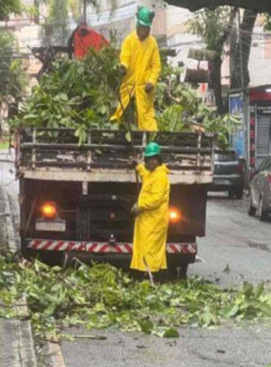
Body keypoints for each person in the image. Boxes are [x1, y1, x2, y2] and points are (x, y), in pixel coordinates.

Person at [110, 6, 161, 132]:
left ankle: (148, 138)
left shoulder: (152, 43)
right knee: (121, 111)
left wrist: (152, 81)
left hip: (144, 87)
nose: (146, 30)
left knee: (145, 116)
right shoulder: (129, 40)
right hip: (128, 84)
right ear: (138, 25)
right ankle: (117, 133)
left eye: (148, 27)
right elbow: (125, 56)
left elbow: (156, 65)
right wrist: (123, 66)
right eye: (144, 27)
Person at [130, 142, 170, 275]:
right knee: (146, 248)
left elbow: (156, 200)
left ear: (157, 159)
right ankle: (147, 274)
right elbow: (146, 178)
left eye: (150, 159)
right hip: (149, 221)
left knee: (150, 249)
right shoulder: (153, 174)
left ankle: (151, 277)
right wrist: (138, 166)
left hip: (155, 221)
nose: (148, 162)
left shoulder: (161, 177)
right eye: (146, 160)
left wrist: (139, 206)